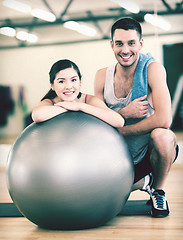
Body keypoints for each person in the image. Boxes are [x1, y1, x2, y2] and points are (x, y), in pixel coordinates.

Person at [94, 17, 179, 218]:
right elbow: (97, 121)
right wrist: (124, 113)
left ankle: (157, 190)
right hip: (116, 157)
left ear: (140, 44)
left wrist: (121, 129)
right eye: (119, 43)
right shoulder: (101, 76)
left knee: (163, 136)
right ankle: (143, 182)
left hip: (146, 153)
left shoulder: (153, 69)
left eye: (131, 43)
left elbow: (165, 119)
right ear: (111, 45)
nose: (125, 50)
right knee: (99, 197)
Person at [32, 59, 124, 129]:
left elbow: (119, 121)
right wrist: (67, 106)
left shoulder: (89, 100)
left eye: (73, 80)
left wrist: (80, 106)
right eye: (61, 81)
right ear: (52, 85)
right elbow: (37, 115)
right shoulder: (49, 102)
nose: (68, 86)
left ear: (80, 82)